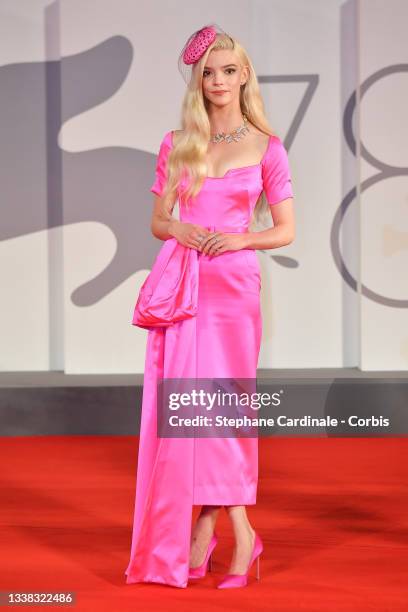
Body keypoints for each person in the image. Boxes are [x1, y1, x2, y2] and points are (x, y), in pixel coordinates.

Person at [125, 23, 295, 589]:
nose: (218, 80)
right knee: (187, 413)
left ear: (244, 75)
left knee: (224, 412)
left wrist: (243, 238)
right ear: (197, 81)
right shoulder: (178, 143)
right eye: (208, 73)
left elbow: (286, 230)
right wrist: (183, 230)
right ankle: (207, 529)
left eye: (228, 70)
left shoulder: (268, 147)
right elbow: (157, 224)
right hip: (187, 287)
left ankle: (231, 533)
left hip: (234, 290)